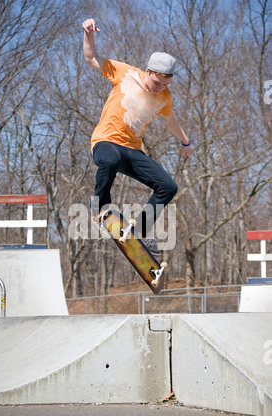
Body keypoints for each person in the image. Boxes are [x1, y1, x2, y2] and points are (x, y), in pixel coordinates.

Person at [82, 18, 191, 255]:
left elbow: (170, 119)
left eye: (165, 84)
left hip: (132, 151)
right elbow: (91, 58)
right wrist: (88, 33)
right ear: (147, 71)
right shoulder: (126, 74)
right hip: (105, 142)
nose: (159, 87)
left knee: (168, 186)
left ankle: (139, 233)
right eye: (156, 81)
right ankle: (99, 210)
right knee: (109, 160)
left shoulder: (165, 97)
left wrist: (185, 140)